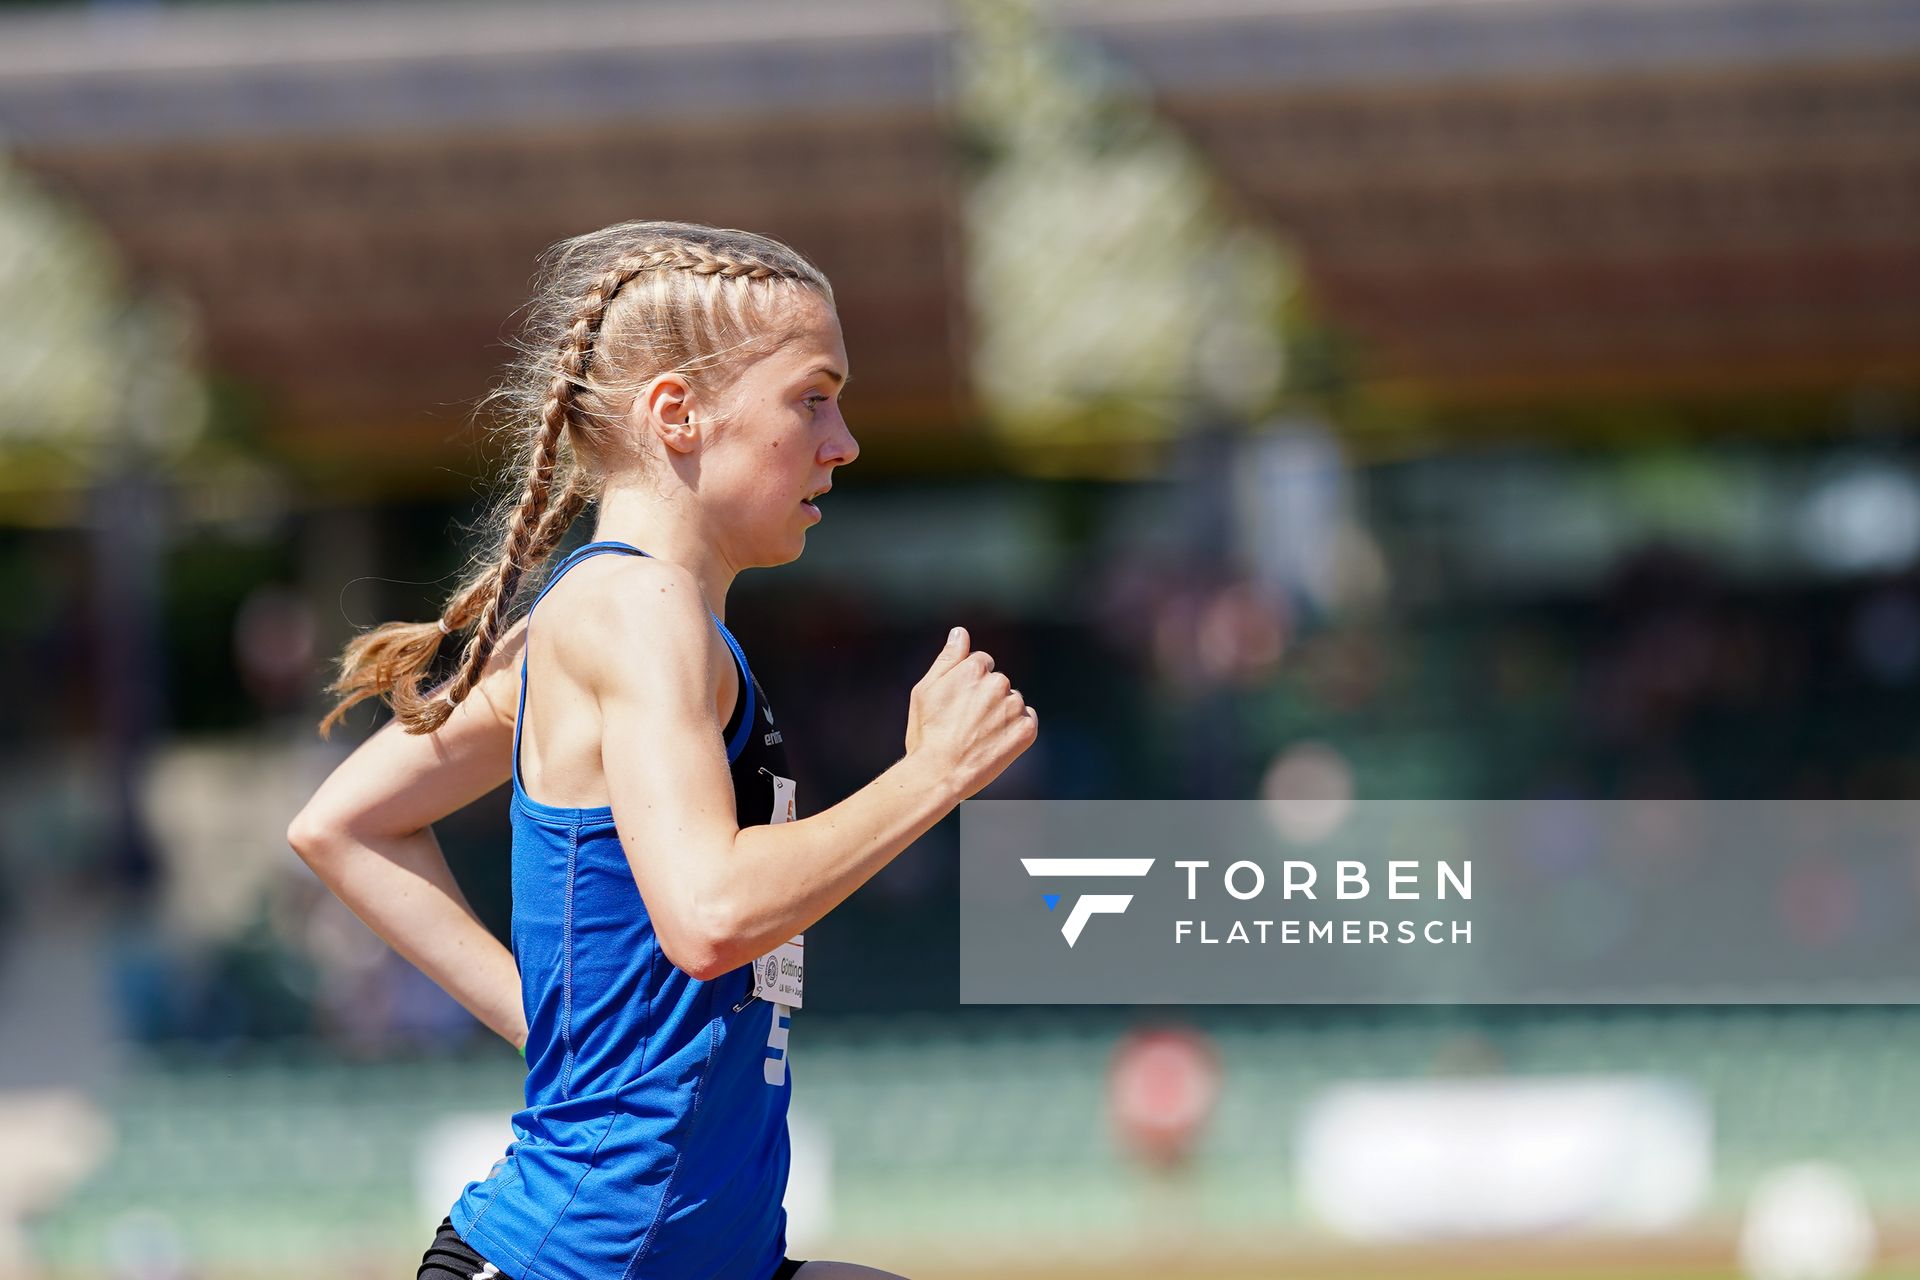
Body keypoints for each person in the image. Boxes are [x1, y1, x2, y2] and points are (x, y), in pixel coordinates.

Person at [286, 221, 1037, 1280]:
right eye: (812, 396)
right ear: (677, 413)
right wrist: (933, 775)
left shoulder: (605, 612)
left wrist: (547, 1031)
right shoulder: (637, 609)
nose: (843, 441)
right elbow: (712, 914)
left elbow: (342, 824)